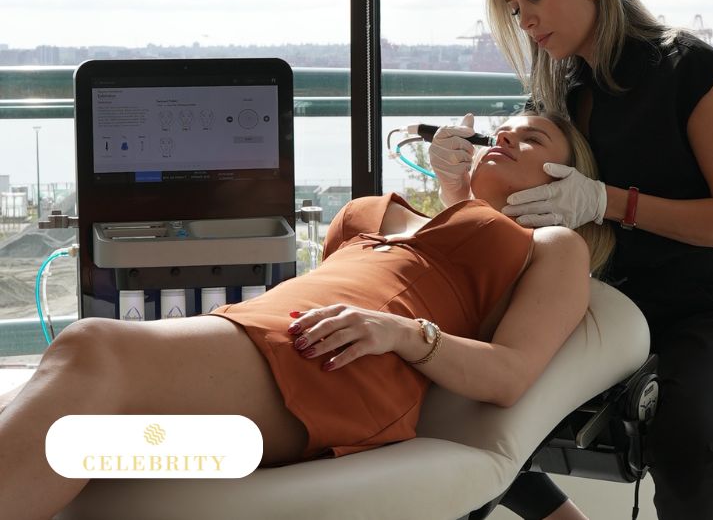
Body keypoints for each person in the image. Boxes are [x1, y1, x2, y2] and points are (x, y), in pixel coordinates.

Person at [0, 113, 611, 520]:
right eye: (500, 130)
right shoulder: (404, 216)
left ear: (565, 177)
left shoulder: (552, 244)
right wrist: (456, 197)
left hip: (342, 364)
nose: (503, 138)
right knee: (78, 441)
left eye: (530, 140)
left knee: (92, 349)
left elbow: (508, 375)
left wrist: (402, 333)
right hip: (275, 339)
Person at [429, 0, 713, 520]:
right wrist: (454, 185)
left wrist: (606, 201)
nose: (528, 19)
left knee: (683, 448)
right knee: (469, 415)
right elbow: (507, 221)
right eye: (516, 8)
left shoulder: (687, 70)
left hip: (712, 314)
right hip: (604, 311)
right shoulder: (561, 94)